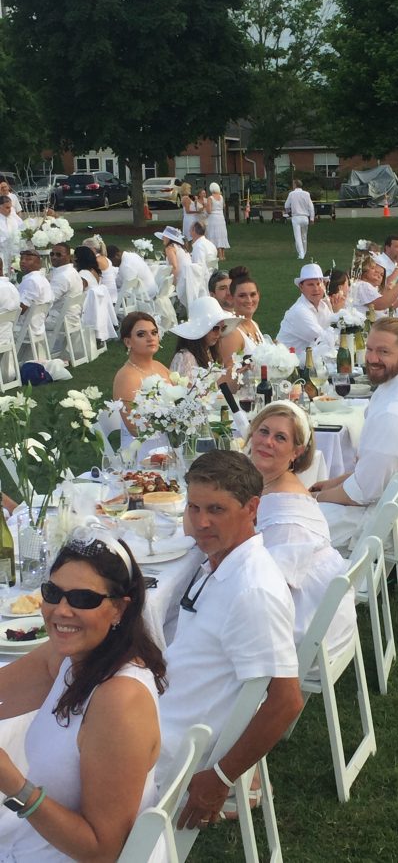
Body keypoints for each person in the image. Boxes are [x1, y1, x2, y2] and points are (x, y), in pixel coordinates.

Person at [157, 450, 303, 829]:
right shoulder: (222, 560)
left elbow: (286, 702)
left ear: (251, 508)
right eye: (194, 508)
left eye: (216, 510)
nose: (200, 522)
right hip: (158, 712)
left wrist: (220, 779)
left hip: (167, 745)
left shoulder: (253, 591)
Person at [0, 528, 166, 861]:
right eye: (53, 592)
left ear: (119, 609)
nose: (61, 610)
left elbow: (102, 851)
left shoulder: (119, 701)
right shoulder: (68, 656)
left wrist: (14, 785)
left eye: (83, 599)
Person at [312, 317, 398, 556]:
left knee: (288, 525)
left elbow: (362, 492)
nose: (371, 358)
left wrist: (316, 497)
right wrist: (333, 483)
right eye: (369, 349)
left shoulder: (396, 412)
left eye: (383, 352)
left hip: (386, 524)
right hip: (396, 507)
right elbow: (376, 472)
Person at [248, 402, 357, 656]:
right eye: (263, 431)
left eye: (280, 437)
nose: (267, 442)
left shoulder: (285, 514)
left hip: (307, 630)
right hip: (322, 616)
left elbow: (270, 590)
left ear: (296, 452)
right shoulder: (276, 486)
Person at [112, 312, 171, 447]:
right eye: (141, 334)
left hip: (173, 438)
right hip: (145, 447)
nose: (150, 338)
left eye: (154, 332)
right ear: (128, 342)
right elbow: (134, 428)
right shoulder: (126, 377)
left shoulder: (159, 366)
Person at [276, 263, 336, 365]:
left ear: (324, 285)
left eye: (318, 283)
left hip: (310, 364)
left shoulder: (323, 306)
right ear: (301, 287)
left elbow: (333, 333)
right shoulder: (299, 311)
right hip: (289, 369)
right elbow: (324, 340)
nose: (316, 288)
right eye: (310, 284)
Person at [169, 295, 237, 383]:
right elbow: (187, 392)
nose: (219, 333)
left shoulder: (210, 352)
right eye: (215, 328)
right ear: (201, 328)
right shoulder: (185, 357)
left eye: (222, 328)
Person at [216, 266, 263, 373]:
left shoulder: (254, 324)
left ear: (258, 295)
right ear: (231, 298)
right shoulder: (232, 333)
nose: (249, 300)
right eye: (242, 296)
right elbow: (228, 375)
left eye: (253, 294)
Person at [74, 246, 118, 342]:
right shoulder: (94, 270)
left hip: (85, 307)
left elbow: (77, 291)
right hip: (95, 307)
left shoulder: (83, 274)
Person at [155, 225, 205, 308]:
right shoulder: (180, 247)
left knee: (157, 284)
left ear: (169, 238)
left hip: (181, 280)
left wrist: (173, 283)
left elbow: (174, 267)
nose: (163, 238)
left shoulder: (170, 248)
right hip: (189, 279)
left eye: (164, 236)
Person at [45, 243, 82, 350]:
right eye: (52, 254)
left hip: (60, 320)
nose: (54, 257)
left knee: (25, 321)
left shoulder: (63, 276)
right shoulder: (72, 271)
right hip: (73, 316)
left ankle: (27, 355)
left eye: (58, 254)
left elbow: (48, 300)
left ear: (69, 257)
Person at [16, 247, 53, 342]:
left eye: (28, 259)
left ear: (38, 264)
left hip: (24, 329)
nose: (23, 262)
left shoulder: (32, 281)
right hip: (38, 326)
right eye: (22, 259)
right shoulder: (42, 278)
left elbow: (20, 310)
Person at [82, 235, 117, 306]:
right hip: (112, 295)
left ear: (93, 249)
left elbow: (90, 279)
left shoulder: (96, 261)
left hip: (106, 298)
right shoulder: (104, 258)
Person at [284, 179, 315, 260]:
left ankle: (301, 254)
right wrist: (312, 218)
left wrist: (289, 213)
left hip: (296, 217)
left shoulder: (292, 194)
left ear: (295, 185)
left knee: (298, 237)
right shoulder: (306, 194)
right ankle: (303, 252)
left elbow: (286, 205)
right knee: (304, 236)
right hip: (305, 218)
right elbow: (311, 207)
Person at [205, 182, 230, 260]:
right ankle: (223, 255)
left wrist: (205, 208)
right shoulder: (221, 197)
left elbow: (209, 211)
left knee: (214, 234)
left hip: (213, 218)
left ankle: (217, 254)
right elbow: (224, 206)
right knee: (221, 234)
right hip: (221, 217)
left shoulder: (210, 198)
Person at [189, 222, 216, 289]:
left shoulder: (199, 246)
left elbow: (198, 267)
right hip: (211, 275)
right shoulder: (210, 244)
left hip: (203, 282)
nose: (189, 231)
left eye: (190, 229)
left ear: (194, 231)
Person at [0, 195, 22, 274]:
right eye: (7, 208)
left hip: (15, 252)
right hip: (2, 254)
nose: (10, 210)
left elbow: (23, 229)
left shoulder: (14, 217)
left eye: (11, 207)